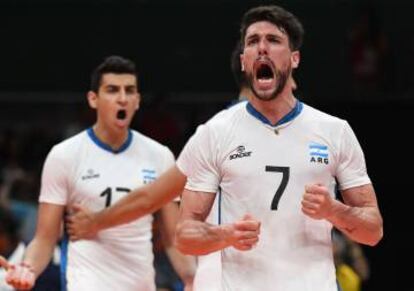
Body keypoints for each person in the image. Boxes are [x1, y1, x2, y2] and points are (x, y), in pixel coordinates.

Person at [66, 5, 383, 291]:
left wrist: (333, 210)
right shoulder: (217, 132)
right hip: (223, 277)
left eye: (273, 41)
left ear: (294, 59)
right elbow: (163, 206)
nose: (262, 49)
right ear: (244, 64)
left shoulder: (331, 130)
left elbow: (373, 230)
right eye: (253, 42)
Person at [2, 55, 194, 291]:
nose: (122, 98)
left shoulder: (160, 155)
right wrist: (28, 268)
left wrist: (191, 277)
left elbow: (172, 239)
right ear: (93, 99)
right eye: (112, 90)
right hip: (85, 283)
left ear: (137, 100)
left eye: (129, 91)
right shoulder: (65, 155)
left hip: (140, 285)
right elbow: (45, 238)